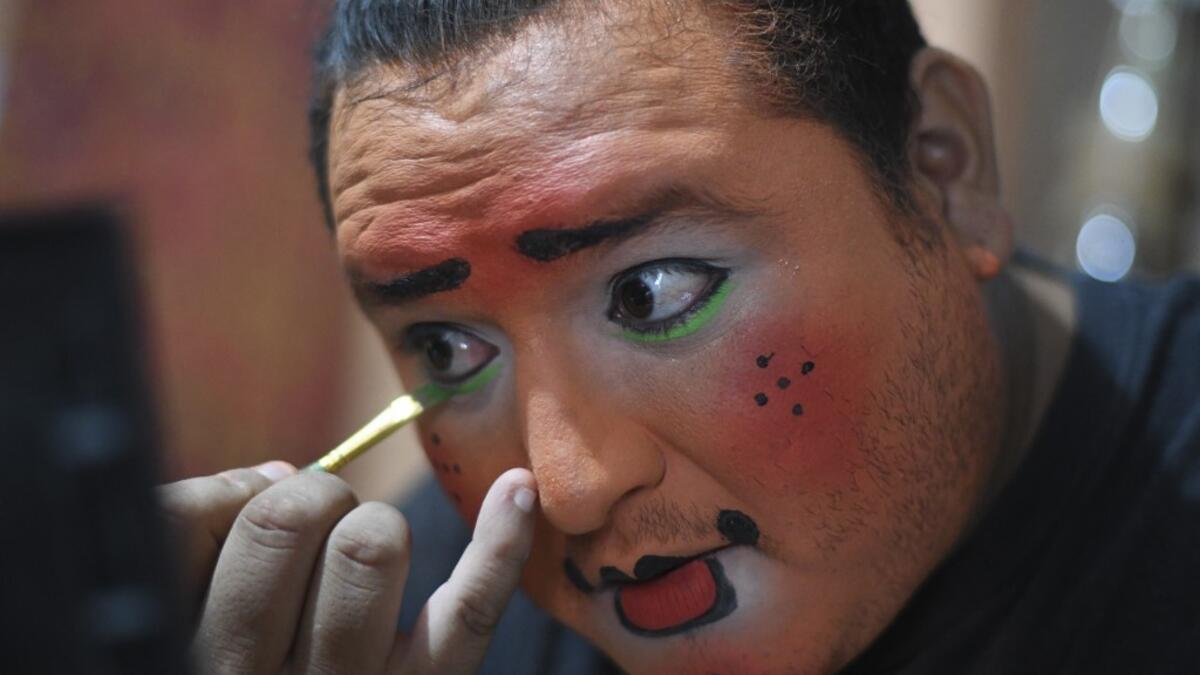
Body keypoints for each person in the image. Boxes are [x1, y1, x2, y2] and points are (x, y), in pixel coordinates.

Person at [160, 1, 1200, 673]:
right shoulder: (427, 617)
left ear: (941, 163)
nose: (568, 487)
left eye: (652, 293)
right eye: (447, 350)